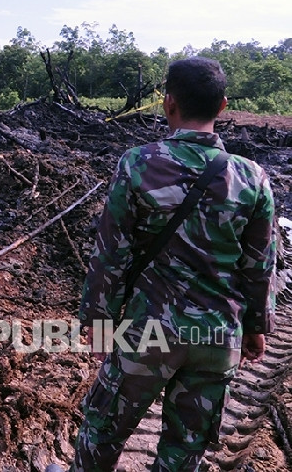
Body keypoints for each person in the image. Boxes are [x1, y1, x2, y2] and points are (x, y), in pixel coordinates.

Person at [68, 57, 277, 471]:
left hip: (149, 331)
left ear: (168, 104)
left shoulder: (138, 163)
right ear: (223, 106)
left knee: (103, 428)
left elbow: (110, 253)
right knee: (185, 448)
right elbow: (259, 265)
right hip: (217, 337)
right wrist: (255, 326)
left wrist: (98, 321)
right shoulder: (253, 177)